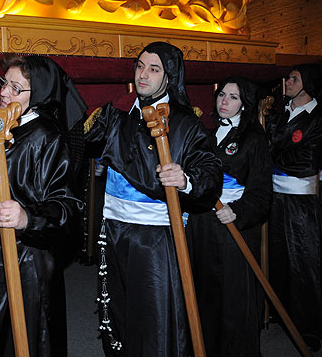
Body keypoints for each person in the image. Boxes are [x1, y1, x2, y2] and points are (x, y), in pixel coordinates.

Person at [85, 41, 222, 357]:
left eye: (154, 68)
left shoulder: (186, 122)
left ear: (169, 76)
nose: (143, 74)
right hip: (114, 229)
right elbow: (85, 144)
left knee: (154, 318)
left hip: (155, 238)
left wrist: (186, 179)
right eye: (140, 66)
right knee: (117, 312)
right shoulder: (117, 113)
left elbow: (210, 171)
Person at [0, 54, 87, 357]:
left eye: (16, 88)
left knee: (20, 337)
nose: (4, 93)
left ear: (37, 93)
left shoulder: (46, 136)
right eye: (4, 83)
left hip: (24, 256)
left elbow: (66, 207)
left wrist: (28, 217)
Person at [186, 76, 272, 357]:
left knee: (233, 299)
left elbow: (261, 193)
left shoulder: (254, 141)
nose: (224, 101)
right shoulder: (206, 135)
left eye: (233, 97)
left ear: (244, 104)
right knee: (203, 293)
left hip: (233, 228)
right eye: (222, 95)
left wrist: (238, 211)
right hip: (202, 226)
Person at [267, 63, 322, 352]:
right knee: (279, 258)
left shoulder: (317, 118)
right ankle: (282, 314)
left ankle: (309, 328)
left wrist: (275, 156)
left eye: (294, 78)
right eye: (287, 77)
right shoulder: (280, 114)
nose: (286, 82)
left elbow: (306, 163)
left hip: (302, 202)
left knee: (304, 262)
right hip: (275, 198)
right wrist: (279, 154)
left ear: (307, 83)